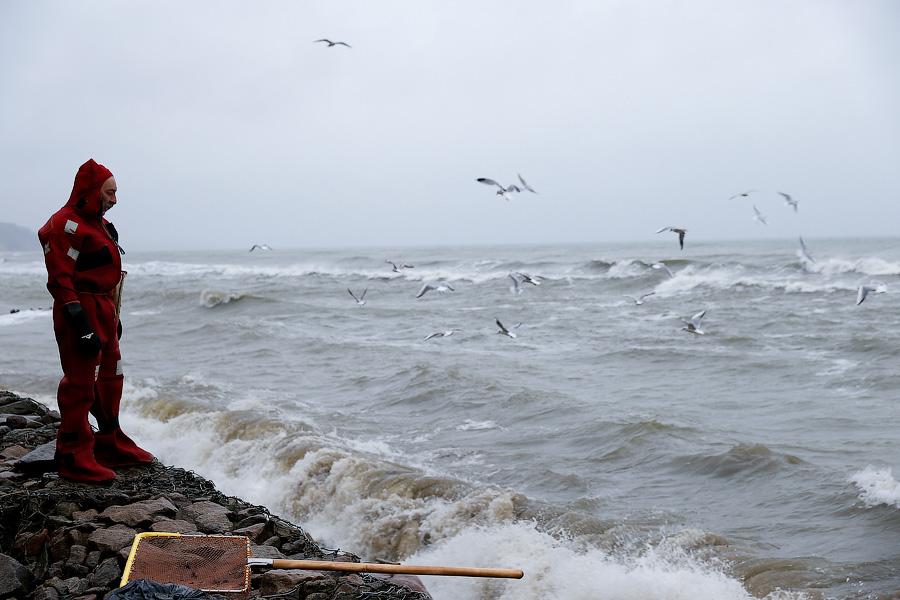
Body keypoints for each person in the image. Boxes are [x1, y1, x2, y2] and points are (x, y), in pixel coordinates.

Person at [38, 159, 154, 483]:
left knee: (112, 374)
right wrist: (80, 322)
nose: (114, 200)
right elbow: (60, 280)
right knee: (80, 382)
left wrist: (113, 315)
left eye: (115, 193)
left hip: (104, 306)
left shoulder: (100, 225)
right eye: (110, 193)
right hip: (80, 307)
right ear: (91, 191)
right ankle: (73, 454)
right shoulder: (64, 225)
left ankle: (109, 439)